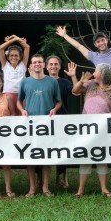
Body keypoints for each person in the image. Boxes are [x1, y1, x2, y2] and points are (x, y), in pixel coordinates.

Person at [71, 53, 111, 198]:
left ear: (102, 74)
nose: (93, 73)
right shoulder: (90, 85)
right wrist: (81, 81)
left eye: (96, 71)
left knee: (102, 158)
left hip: (103, 130)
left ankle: (104, 188)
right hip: (86, 129)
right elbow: (75, 90)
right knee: (85, 158)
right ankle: (80, 189)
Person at [17, 54, 62, 197]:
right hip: (30, 125)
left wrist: (54, 109)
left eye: (40, 62)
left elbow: (59, 101)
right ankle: (32, 188)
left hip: (46, 125)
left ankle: (45, 188)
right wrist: (22, 110)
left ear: (44, 65)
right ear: (31, 65)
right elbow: (19, 101)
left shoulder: (52, 82)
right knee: (30, 157)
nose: (37, 64)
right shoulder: (25, 82)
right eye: (34, 62)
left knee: (46, 157)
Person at [48, 57, 78, 188]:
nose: (53, 66)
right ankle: (40, 178)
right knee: (44, 149)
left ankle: (62, 177)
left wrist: (73, 76)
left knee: (61, 150)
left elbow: (76, 91)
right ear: (46, 66)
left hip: (62, 119)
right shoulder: (42, 81)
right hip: (44, 120)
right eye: (51, 64)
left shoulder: (65, 82)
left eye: (56, 64)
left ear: (59, 67)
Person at [0, 35, 30, 115]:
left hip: (21, 96)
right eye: (11, 55)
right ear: (8, 57)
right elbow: (0, 48)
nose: (14, 57)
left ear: (20, 57)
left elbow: (27, 47)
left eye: (16, 55)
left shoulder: (23, 65)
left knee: (22, 117)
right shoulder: (5, 65)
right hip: (7, 95)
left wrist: (16, 38)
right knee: (8, 117)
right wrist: (13, 39)